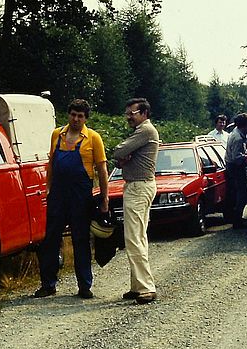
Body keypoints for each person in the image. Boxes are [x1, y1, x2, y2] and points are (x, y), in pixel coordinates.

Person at [34, 99, 109, 299]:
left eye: (80, 116)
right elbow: (51, 163)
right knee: (50, 239)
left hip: (81, 195)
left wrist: (104, 197)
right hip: (57, 194)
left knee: (80, 239)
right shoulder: (57, 135)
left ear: (85, 118)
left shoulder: (93, 138)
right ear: (68, 115)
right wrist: (48, 188)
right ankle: (48, 284)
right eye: (73, 114)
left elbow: (102, 170)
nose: (76, 119)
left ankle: (85, 285)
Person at [113, 98, 159, 304]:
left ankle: (146, 288)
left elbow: (118, 152)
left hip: (139, 187)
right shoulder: (143, 133)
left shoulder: (145, 131)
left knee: (133, 238)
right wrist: (124, 158)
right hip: (138, 186)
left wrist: (125, 157)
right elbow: (121, 158)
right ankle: (137, 285)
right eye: (127, 113)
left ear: (144, 113)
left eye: (132, 113)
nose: (128, 117)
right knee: (138, 237)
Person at [224, 112, 247, 229]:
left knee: (239, 192)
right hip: (235, 167)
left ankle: (237, 218)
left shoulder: (237, 132)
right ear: (244, 125)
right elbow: (237, 158)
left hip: (232, 165)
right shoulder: (238, 138)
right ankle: (237, 221)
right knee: (241, 193)